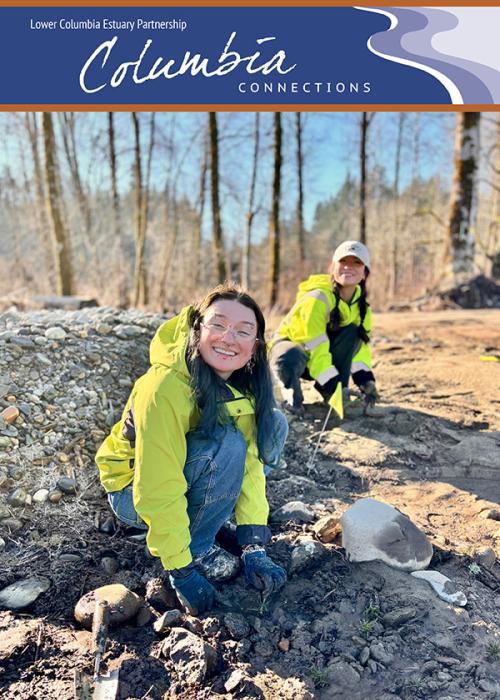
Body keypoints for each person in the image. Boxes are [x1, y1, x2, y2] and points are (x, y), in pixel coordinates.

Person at [95, 283, 288, 615]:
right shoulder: (164, 388)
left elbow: (251, 468)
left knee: (273, 424)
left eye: (243, 331)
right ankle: (197, 547)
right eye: (218, 325)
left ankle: (205, 521)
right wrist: (181, 570)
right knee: (227, 444)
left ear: (255, 347)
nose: (229, 338)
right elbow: (157, 483)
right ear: (198, 328)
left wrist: (254, 544)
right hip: (133, 492)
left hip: (185, 475)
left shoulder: (242, 384)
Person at [269, 240, 378, 413]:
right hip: (296, 354)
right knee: (287, 357)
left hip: (319, 358)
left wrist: (365, 380)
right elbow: (315, 345)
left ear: (365, 272)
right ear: (333, 268)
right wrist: (332, 383)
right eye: (343, 261)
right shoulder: (317, 298)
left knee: (353, 333)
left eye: (356, 262)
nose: (349, 267)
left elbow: (360, 349)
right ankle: (290, 401)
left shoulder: (364, 308)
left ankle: (332, 395)